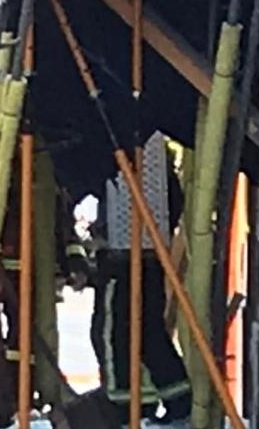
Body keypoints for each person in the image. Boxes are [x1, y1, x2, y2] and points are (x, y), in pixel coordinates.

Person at [66, 130, 191, 428]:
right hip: (149, 257)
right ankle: (178, 402)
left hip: (122, 262)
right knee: (149, 333)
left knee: (112, 334)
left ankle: (123, 405)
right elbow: (174, 203)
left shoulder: (115, 152)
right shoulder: (157, 160)